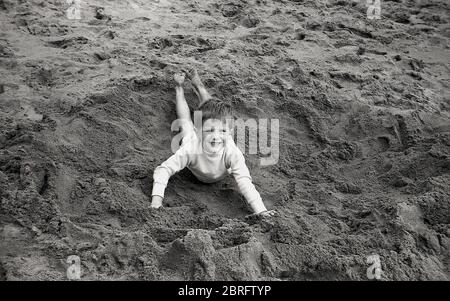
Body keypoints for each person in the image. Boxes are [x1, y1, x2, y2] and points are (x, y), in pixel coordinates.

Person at [150, 69, 274, 217]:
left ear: (229, 132)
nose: (216, 137)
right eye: (210, 131)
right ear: (199, 131)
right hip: (192, 138)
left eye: (222, 131)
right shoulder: (191, 147)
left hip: (217, 147)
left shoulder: (231, 151)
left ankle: (199, 85)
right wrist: (156, 202)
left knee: (213, 109)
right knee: (185, 122)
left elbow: (245, 182)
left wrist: (261, 211)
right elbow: (164, 169)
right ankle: (179, 89)